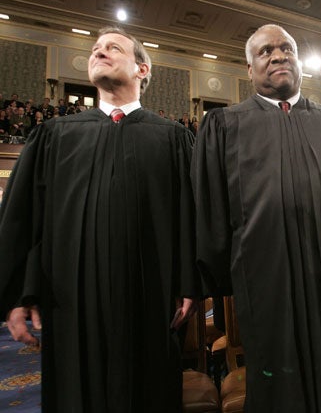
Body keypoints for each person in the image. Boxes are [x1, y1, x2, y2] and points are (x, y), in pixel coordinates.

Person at [0, 26, 199, 413]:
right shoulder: (54, 136)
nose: (99, 52)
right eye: (95, 49)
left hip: (150, 297)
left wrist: (188, 283)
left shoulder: (173, 139)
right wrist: (19, 296)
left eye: (113, 47)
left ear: (143, 70)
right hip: (70, 300)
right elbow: (26, 221)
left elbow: (188, 217)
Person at [192, 24, 321, 412]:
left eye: (286, 49)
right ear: (249, 68)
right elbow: (210, 213)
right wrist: (232, 278)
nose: (278, 56)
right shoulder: (225, 125)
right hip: (267, 282)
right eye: (265, 52)